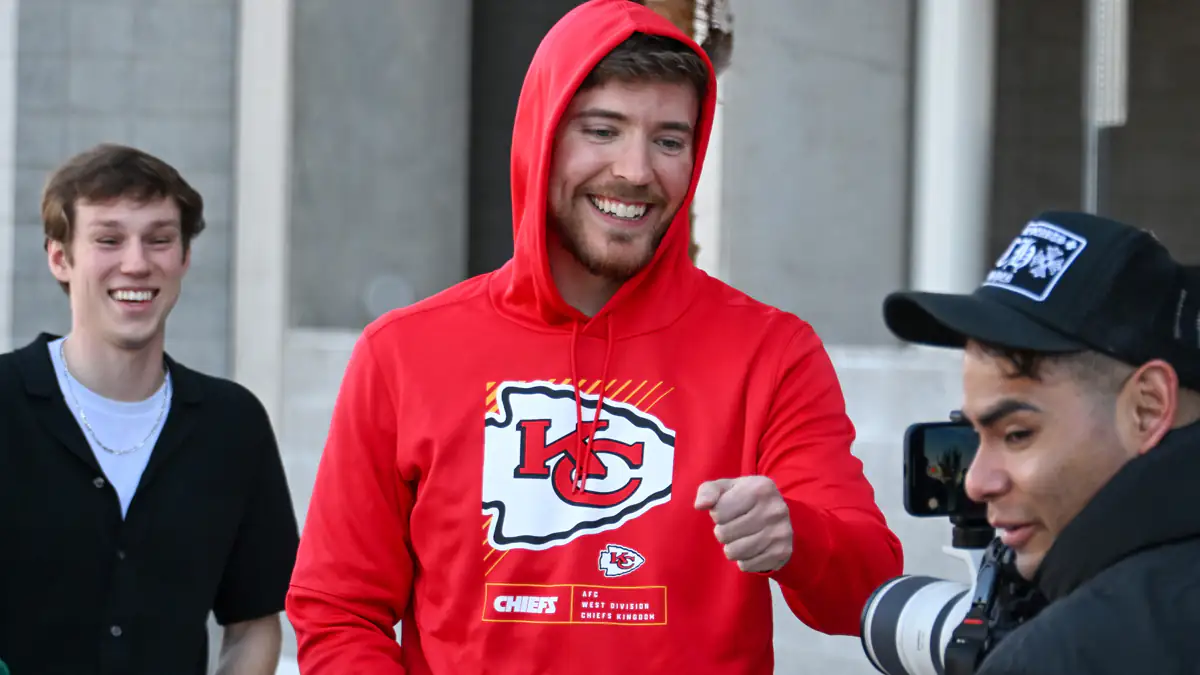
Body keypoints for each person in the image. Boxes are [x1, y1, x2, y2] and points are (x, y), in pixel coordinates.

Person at [286, 0, 904, 672]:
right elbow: (339, 609)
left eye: (669, 141)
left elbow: (867, 590)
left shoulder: (772, 352)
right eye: (603, 130)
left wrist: (798, 538)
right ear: (543, 137)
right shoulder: (403, 353)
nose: (635, 171)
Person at [0, 143, 300, 675]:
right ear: (60, 258)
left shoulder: (233, 427)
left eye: (159, 240)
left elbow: (253, 623)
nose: (137, 264)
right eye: (108, 240)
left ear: (183, 258)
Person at [882, 210, 1200, 674]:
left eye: (1017, 434)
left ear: (1147, 408)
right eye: (975, 437)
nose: (976, 482)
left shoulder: (1060, 655)